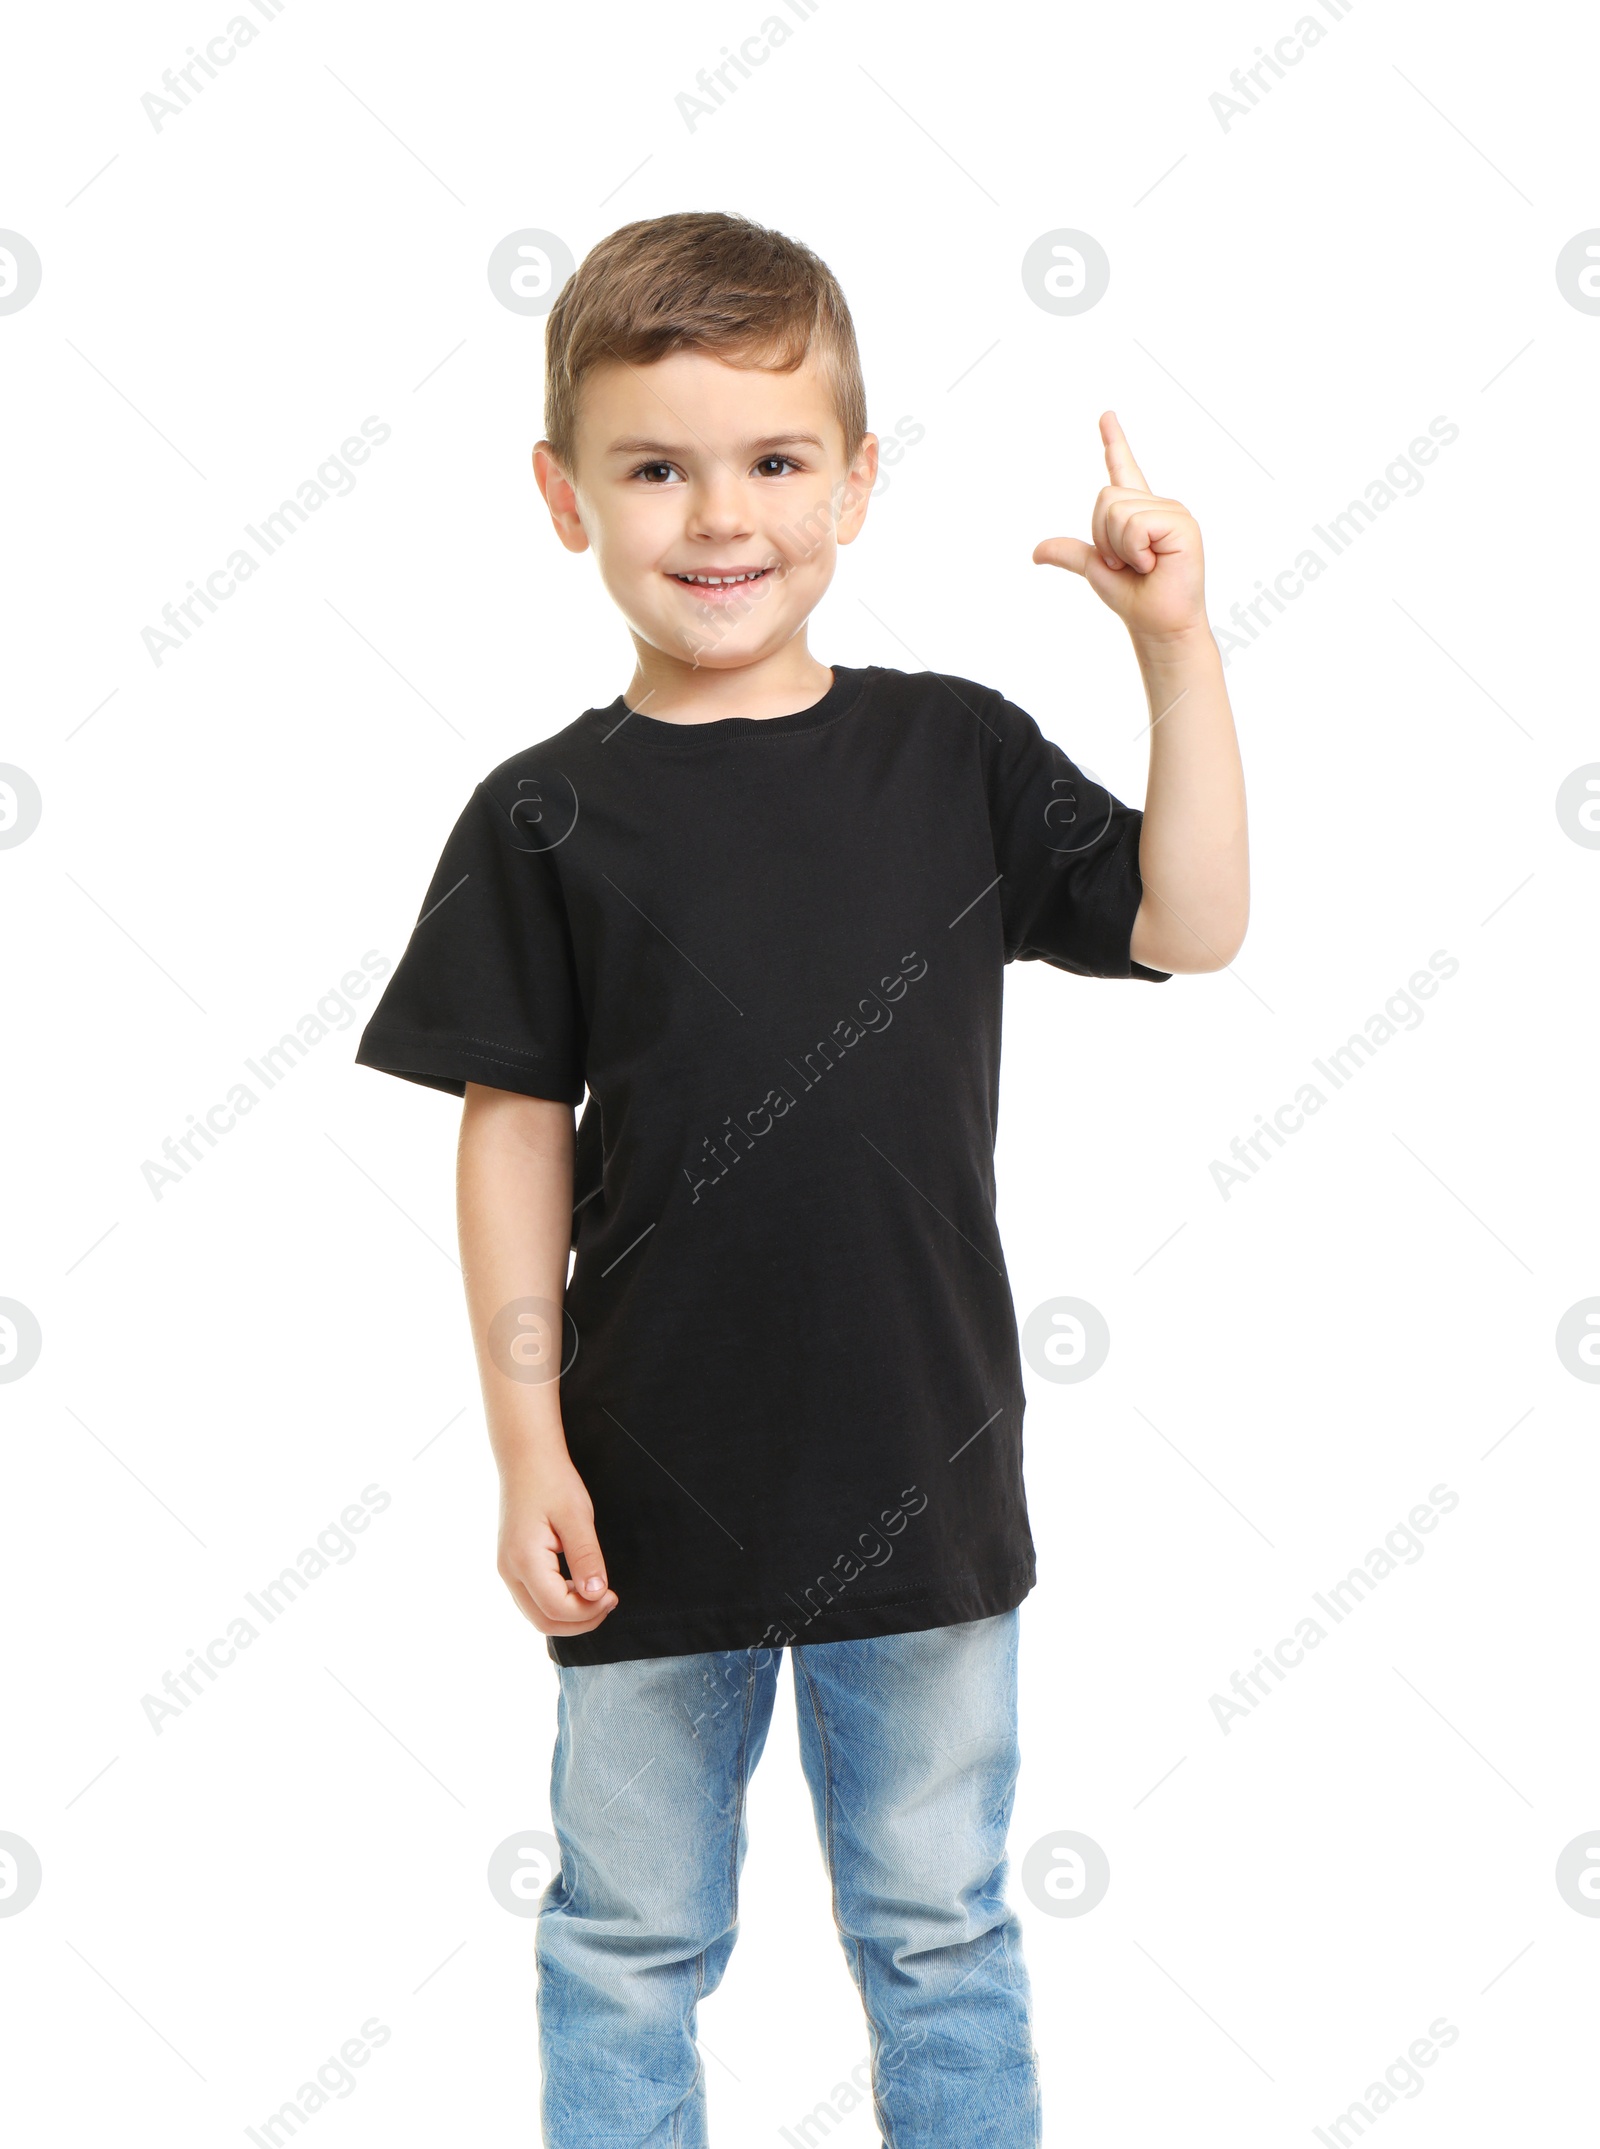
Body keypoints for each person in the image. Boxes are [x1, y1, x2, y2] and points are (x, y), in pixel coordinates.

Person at [355, 209, 1248, 2149]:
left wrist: (1173, 649)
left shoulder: (949, 753)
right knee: (625, 1939)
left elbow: (1191, 925)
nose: (714, 516)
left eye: (769, 461)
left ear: (855, 481)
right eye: (652, 467)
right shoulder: (543, 812)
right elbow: (507, 1126)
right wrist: (527, 1446)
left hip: (918, 1470)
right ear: (560, 494)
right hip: (644, 1487)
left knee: (934, 1933)